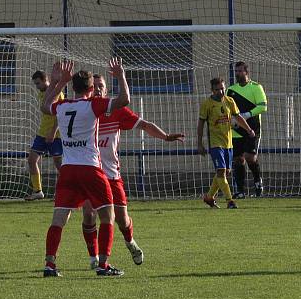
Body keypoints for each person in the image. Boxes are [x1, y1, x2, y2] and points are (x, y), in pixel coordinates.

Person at [80, 73, 185, 269]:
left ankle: (130, 242)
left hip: (112, 175)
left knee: (121, 219)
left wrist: (166, 136)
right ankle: (94, 258)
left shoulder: (117, 112)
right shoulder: (84, 112)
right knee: (88, 214)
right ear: (89, 89)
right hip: (90, 174)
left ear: (107, 89)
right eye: (94, 86)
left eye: (101, 85)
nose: (98, 89)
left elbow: (144, 125)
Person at [41, 59, 130, 278]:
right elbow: (124, 100)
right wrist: (120, 76)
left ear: (73, 87)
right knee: (107, 216)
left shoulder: (62, 106)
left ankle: (50, 265)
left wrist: (58, 83)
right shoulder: (93, 104)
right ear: (91, 89)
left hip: (68, 169)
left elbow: (44, 106)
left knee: (58, 219)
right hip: (90, 169)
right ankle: (103, 265)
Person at [197, 77, 254, 209]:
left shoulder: (230, 101)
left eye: (222, 88)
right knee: (222, 171)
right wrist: (199, 143)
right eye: (217, 90)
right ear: (212, 90)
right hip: (215, 144)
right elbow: (200, 124)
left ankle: (209, 197)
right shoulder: (207, 104)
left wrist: (249, 129)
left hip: (228, 143)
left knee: (224, 172)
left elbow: (238, 117)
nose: (220, 91)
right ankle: (230, 200)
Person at [226, 61, 268, 198]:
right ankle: (240, 190)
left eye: (240, 71)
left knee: (250, 157)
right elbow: (227, 109)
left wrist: (247, 114)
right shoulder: (231, 90)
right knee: (238, 159)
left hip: (252, 128)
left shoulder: (256, 87)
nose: (237, 73)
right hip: (236, 129)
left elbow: (263, 106)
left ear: (246, 72)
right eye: (236, 71)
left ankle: (257, 181)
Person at [25, 70, 64, 201]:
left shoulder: (58, 94)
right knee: (31, 160)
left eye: (38, 83)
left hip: (56, 134)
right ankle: (38, 191)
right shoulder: (42, 93)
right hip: (42, 133)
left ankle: (62, 192)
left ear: (45, 80)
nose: (37, 86)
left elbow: (61, 115)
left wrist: (53, 131)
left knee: (59, 164)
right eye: (35, 84)